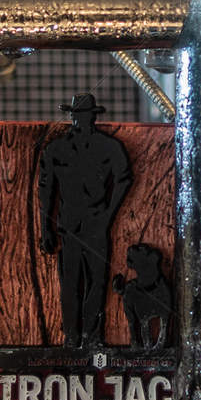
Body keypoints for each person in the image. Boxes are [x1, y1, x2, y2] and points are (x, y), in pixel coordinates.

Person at [37, 93, 132, 348]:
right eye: (77, 116)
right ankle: (71, 336)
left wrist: (109, 213)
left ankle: (92, 336)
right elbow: (45, 189)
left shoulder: (108, 147)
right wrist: (45, 227)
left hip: (97, 224)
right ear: (72, 117)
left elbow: (124, 178)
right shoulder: (56, 148)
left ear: (93, 116)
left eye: (86, 116)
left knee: (97, 282)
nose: (82, 120)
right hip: (68, 225)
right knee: (69, 284)